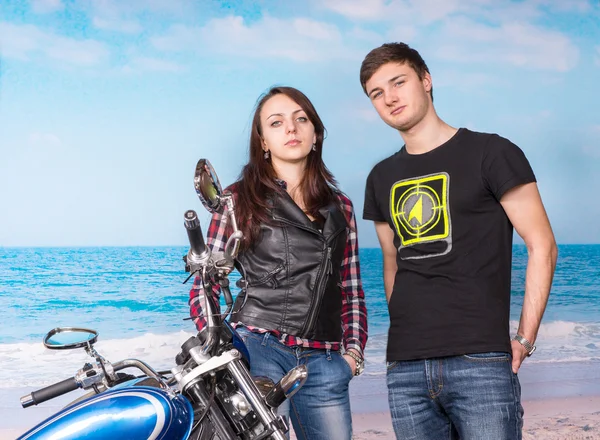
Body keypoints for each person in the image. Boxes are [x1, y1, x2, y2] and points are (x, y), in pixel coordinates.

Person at [360, 43, 558, 440]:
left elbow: (542, 245)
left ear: (427, 80)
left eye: (398, 82)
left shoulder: (492, 152)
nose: (389, 98)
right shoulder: (380, 177)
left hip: (480, 360)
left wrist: (525, 337)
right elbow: (392, 263)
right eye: (376, 94)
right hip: (405, 369)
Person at [189, 86, 368, 440]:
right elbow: (204, 282)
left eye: (302, 119)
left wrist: (352, 356)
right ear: (263, 141)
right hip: (260, 351)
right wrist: (220, 344)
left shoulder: (341, 206)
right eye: (277, 122)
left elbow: (350, 289)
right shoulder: (236, 199)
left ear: (315, 135)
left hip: (327, 361)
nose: (291, 128)